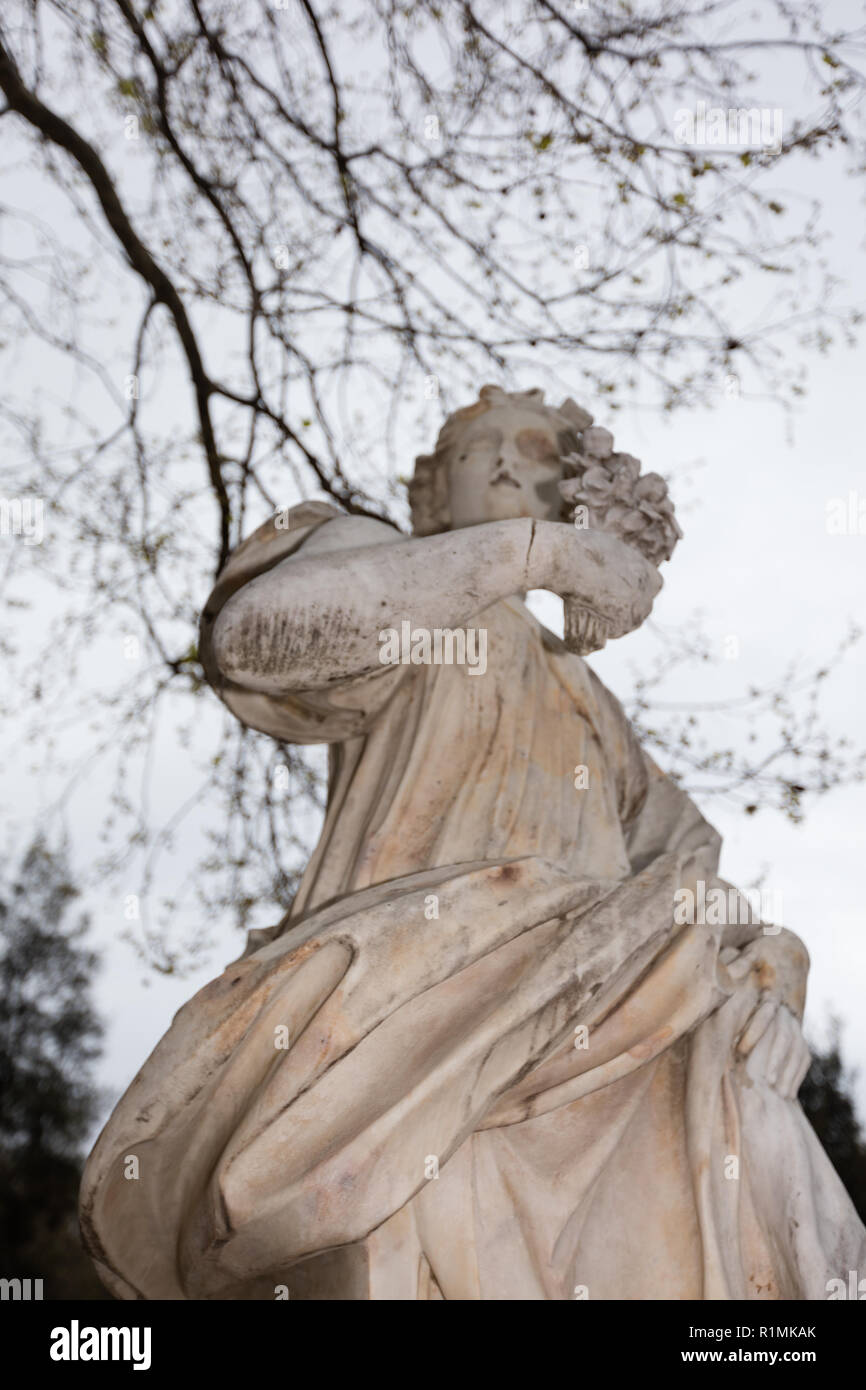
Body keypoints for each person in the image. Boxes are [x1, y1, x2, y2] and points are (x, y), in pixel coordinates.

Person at [81, 386, 866, 1300]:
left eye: (535, 453)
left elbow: (692, 877)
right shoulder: (383, 560)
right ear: (430, 496)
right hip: (412, 1020)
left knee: (759, 1180)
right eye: (473, 451)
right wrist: (530, 554)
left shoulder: (600, 718)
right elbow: (258, 638)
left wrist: (776, 976)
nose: (502, 464)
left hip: (606, 1026)